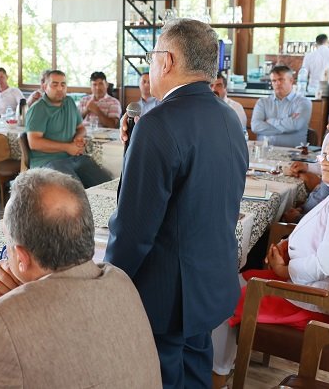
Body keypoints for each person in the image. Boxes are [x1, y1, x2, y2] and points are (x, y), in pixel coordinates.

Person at [105, 19, 248, 389]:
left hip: (165, 292)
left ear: (166, 61)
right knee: (195, 373)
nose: (150, 67)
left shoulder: (159, 124)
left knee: (159, 378)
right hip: (209, 280)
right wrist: (133, 146)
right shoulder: (229, 118)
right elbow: (195, 189)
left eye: (152, 58)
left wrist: (109, 281)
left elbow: (135, 228)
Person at [0, 169, 162, 388]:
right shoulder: (120, 280)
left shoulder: (0, 324)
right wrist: (22, 298)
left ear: (21, 256)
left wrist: (9, 306)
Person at [213, 133, 329, 382]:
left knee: (220, 299)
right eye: (325, 154)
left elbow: (326, 264)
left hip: (326, 305)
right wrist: (289, 248)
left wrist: (284, 271)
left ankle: (217, 375)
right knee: (239, 279)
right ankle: (225, 361)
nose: (325, 161)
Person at [25, 70, 112, 188]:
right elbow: (34, 143)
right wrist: (68, 147)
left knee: (105, 182)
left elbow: (81, 128)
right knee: (75, 190)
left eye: (63, 84)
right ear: (45, 87)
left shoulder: (70, 102)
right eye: (54, 85)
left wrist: (78, 138)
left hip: (72, 158)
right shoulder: (38, 109)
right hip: (47, 162)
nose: (60, 88)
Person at [251, 66, 312, 147]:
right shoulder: (262, 102)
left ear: (291, 80)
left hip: (293, 153)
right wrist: (287, 128)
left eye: (281, 79)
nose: (277, 83)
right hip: (264, 152)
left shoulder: (303, 102)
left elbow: (295, 125)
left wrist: (270, 121)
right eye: (274, 81)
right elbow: (255, 127)